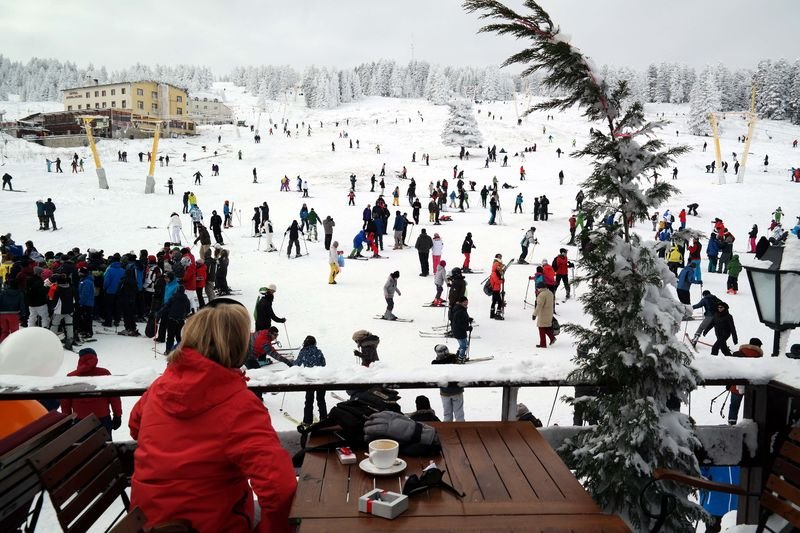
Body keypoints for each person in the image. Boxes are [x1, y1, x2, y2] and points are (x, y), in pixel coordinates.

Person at [129, 301, 297, 532]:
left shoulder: (160, 387)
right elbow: (279, 487)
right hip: (212, 523)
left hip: (147, 521)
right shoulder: (239, 405)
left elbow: (135, 427)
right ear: (238, 346)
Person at [60, 348, 123, 435]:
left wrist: (67, 419)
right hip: (102, 417)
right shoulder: (104, 373)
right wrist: (117, 415)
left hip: (80, 419)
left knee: (83, 443)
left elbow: (65, 402)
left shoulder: (71, 377)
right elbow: (114, 397)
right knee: (105, 442)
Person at [726, 338, 764, 424]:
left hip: (736, 385)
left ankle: (731, 423)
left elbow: (730, 370)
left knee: (734, 406)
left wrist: (729, 384)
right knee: (752, 407)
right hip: (753, 387)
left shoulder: (737, 354)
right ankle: (751, 424)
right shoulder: (759, 358)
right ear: (758, 346)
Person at [294, 335, 328, 426]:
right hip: (320, 378)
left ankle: (307, 420)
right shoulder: (318, 352)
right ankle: (324, 419)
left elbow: (297, 364)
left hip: (309, 379)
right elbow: (324, 363)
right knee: (321, 400)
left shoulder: (303, 352)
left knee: (309, 400)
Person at [451, 296, 473, 363]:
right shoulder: (460, 311)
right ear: (460, 302)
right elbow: (460, 324)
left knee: (464, 344)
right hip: (459, 331)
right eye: (464, 302)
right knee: (464, 346)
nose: (466, 303)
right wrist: (468, 328)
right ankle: (460, 359)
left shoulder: (461, 308)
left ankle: (458, 355)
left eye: (467, 302)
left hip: (459, 331)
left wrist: (468, 319)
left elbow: (462, 318)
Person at [489, 254, 506, 320]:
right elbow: (497, 281)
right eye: (498, 266)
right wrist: (502, 281)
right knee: (500, 302)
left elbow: (500, 278)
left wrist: (502, 277)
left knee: (494, 301)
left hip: (497, 289)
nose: (499, 268)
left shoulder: (496, 273)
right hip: (495, 289)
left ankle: (492, 314)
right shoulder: (494, 273)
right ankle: (497, 314)